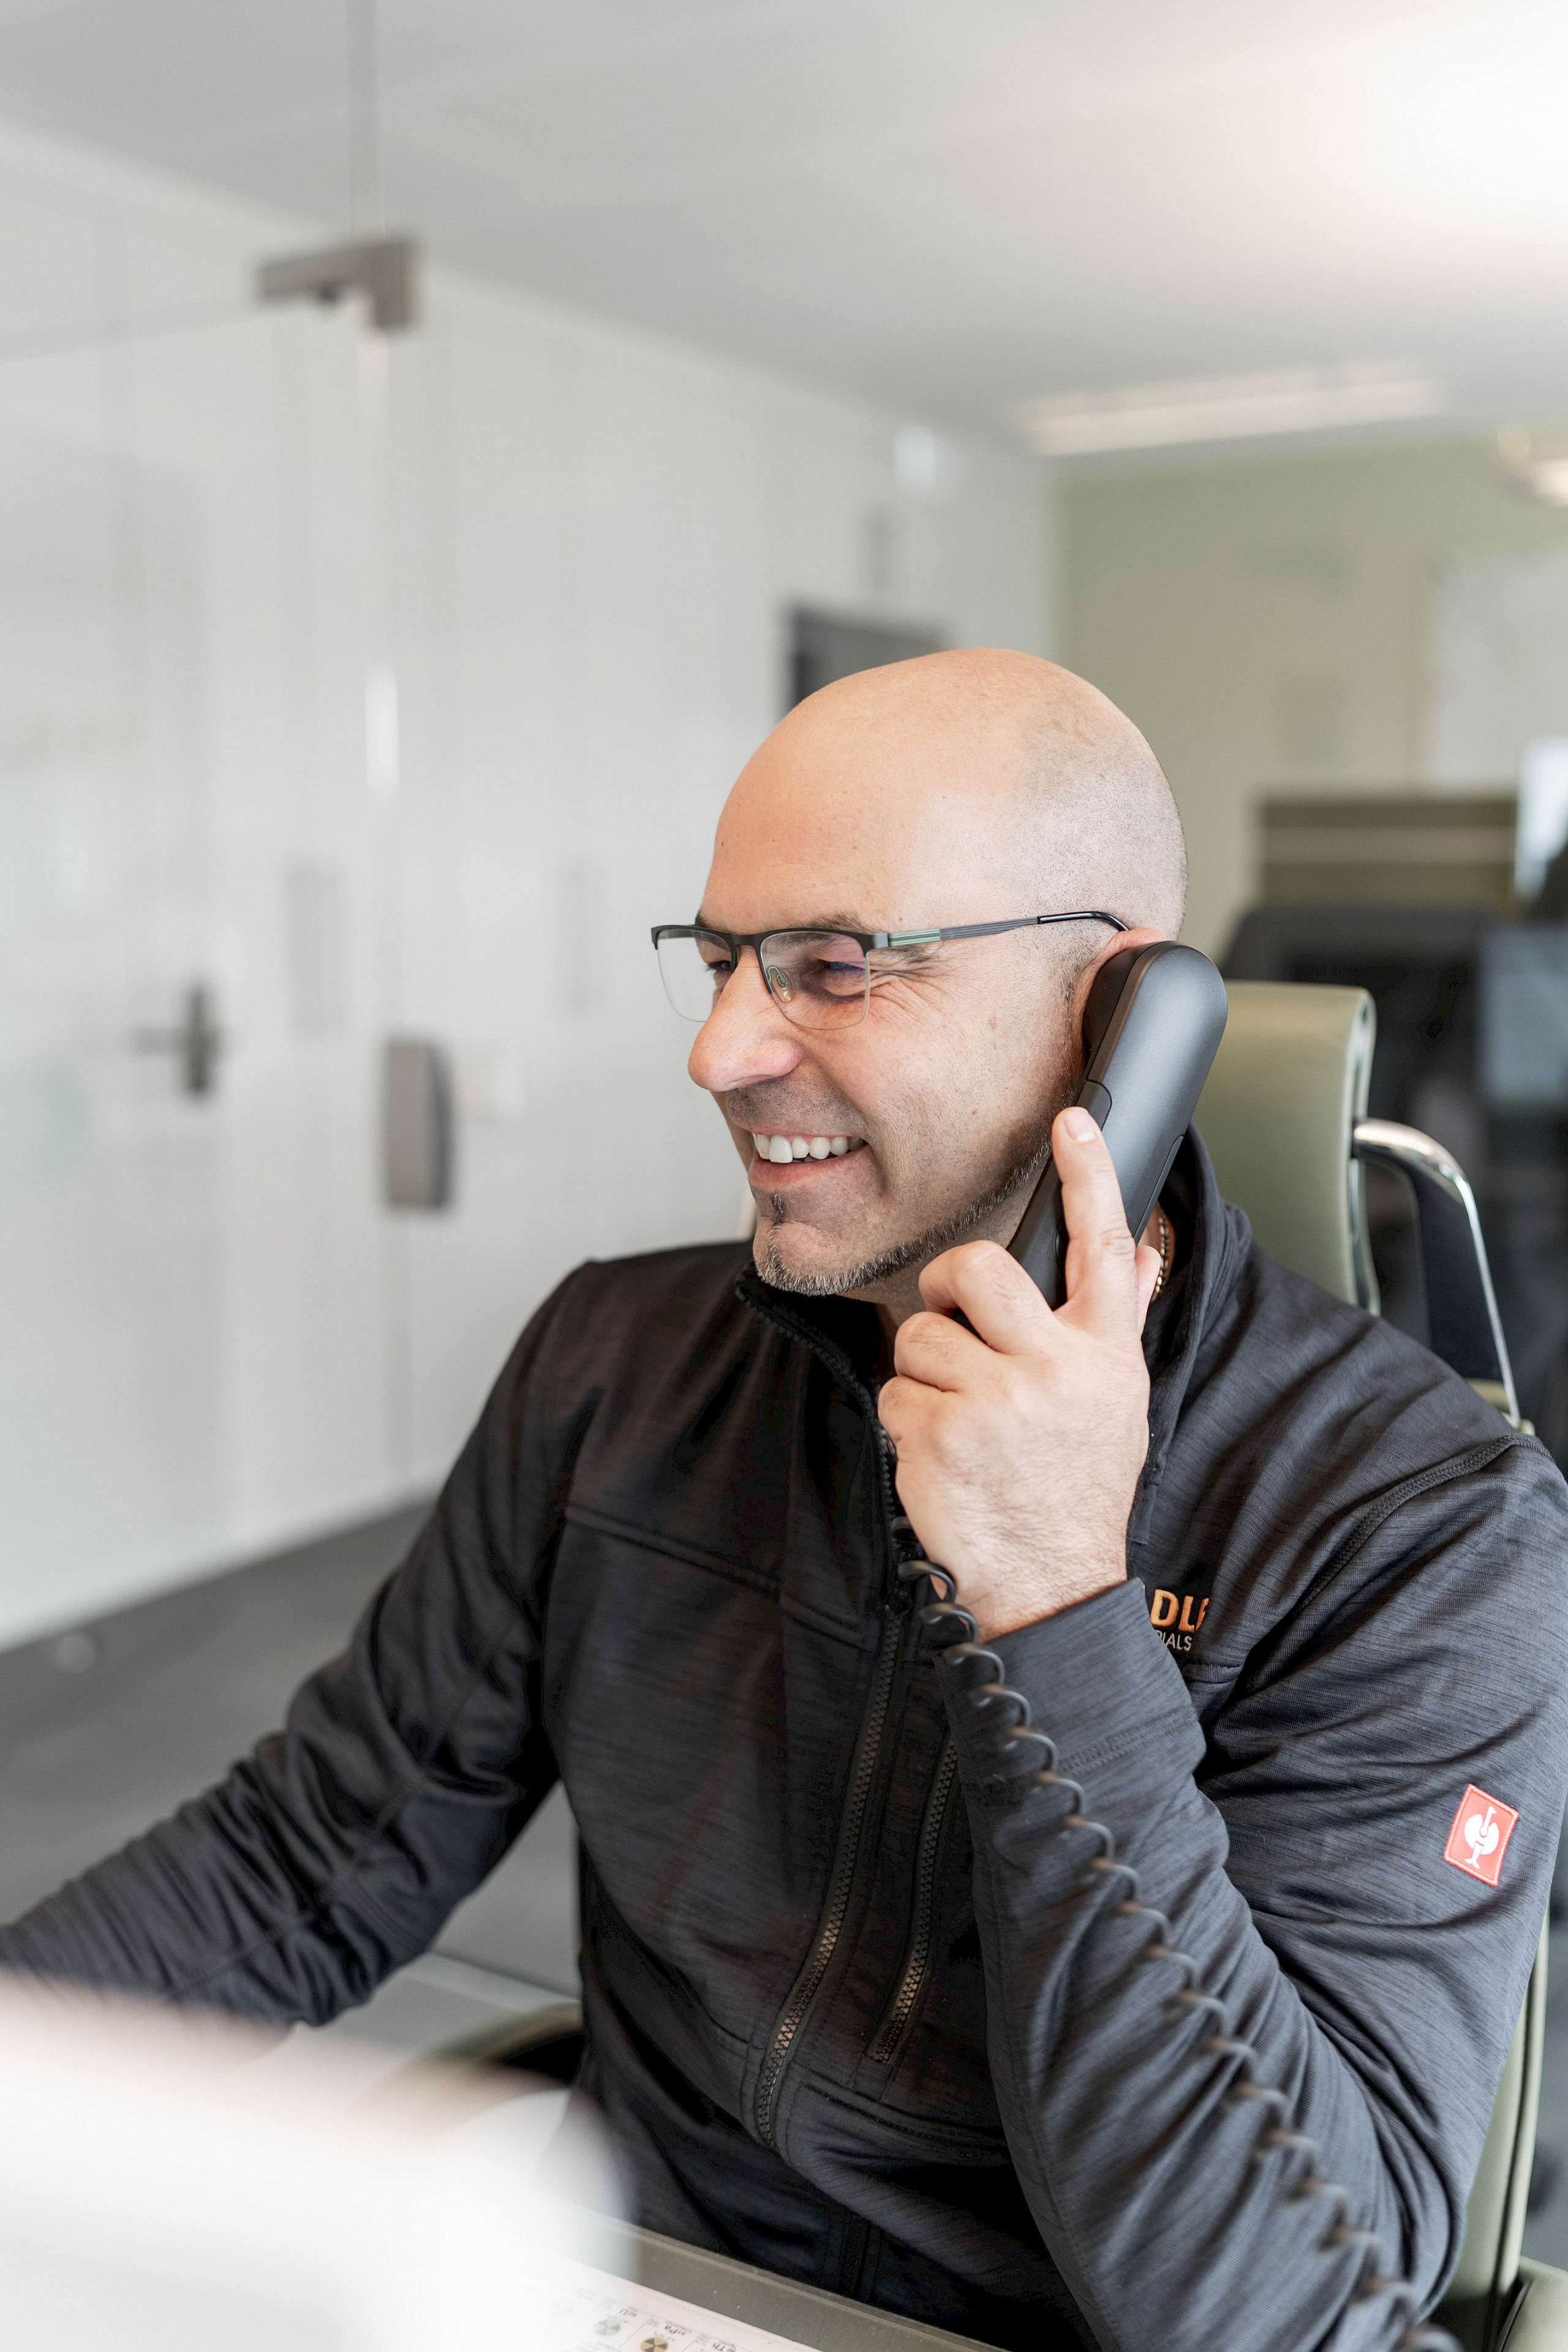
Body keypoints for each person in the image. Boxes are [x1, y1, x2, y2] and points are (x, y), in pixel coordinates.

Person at [4, 649, 1566, 2352]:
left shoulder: (1421, 1529)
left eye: (833, 967)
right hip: (650, 2299)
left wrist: (1054, 1599)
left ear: (1118, 1018)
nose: (721, 1048)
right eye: (724, 957)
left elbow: (1286, 2310)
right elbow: (307, 1857)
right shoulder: (618, 1362)